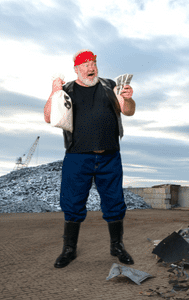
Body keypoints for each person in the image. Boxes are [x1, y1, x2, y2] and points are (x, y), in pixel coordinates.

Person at [44, 49, 136, 268]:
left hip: (110, 156)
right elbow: (48, 117)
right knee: (73, 202)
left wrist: (128, 99)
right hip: (78, 156)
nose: (91, 67)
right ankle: (69, 250)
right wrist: (53, 92)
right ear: (76, 69)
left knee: (114, 202)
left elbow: (129, 111)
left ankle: (117, 246)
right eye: (85, 64)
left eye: (93, 63)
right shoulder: (67, 89)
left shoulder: (109, 85)